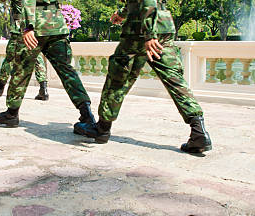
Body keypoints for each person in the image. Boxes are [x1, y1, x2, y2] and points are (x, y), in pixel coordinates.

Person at [74, 0, 212, 154]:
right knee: (174, 79)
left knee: (118, 77)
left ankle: (102, 128)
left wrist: (149, 34)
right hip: (163, 25)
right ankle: (198, 131)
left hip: (140, 30)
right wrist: (121, 13)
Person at [0, 0, 95, 128]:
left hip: (36, 27)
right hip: (56, 25)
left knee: (21, 70)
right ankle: (87, 114)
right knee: (68, 72)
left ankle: (11, 114)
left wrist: (28, 26)